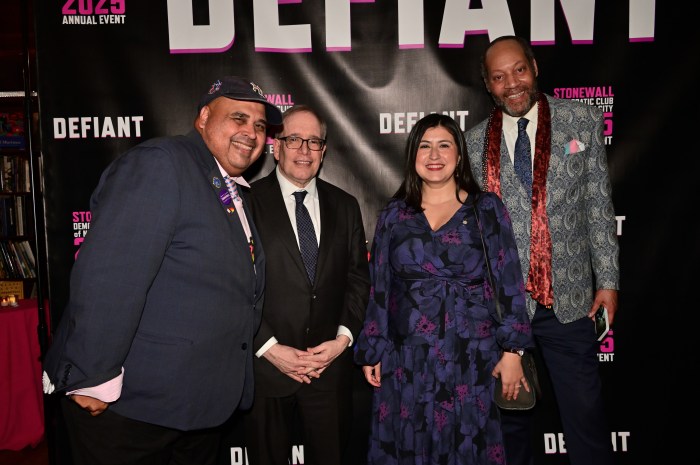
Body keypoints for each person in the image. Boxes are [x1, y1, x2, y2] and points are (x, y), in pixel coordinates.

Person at [41, 76, 282, 465]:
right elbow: (109, 276)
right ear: (203, 117)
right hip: (132, 409)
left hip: (195, 406)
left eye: (259, 125)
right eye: (238, 118)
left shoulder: (226, 186)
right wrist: (90, 376)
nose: (251, 133)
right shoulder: (161, 164)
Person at [464, 35, 620, 465]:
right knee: (509, 429)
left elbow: (598, 207)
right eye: (498, 77)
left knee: (586, 423)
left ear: (534, 67)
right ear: (487, 85)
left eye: (518, 70)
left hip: (568, 304)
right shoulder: (473, 144)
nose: (511, 83)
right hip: (501, 312)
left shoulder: (581, 122)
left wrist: (607, 281)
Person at [355, 113, 534, 465]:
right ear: (412, 155)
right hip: (406, 360)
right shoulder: (394, 214)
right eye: (424, 146)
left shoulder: (487, 209)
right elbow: (379, 286)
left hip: (472, 358)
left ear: (459, 155)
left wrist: (513, 351)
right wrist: (373, 347)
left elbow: (509, 280)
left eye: (443, 145)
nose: (434, 155)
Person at [243, 105, 371, 465]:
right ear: (276, 146)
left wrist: (342, 340)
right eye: (294, 139)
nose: (304, 150)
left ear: (324, 150)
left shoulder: (346, 206)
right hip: (267, 367)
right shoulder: (246, 203)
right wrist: (269, 348)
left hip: (328, 368)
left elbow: (358, 279)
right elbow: (234, 287)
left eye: (314, 142)